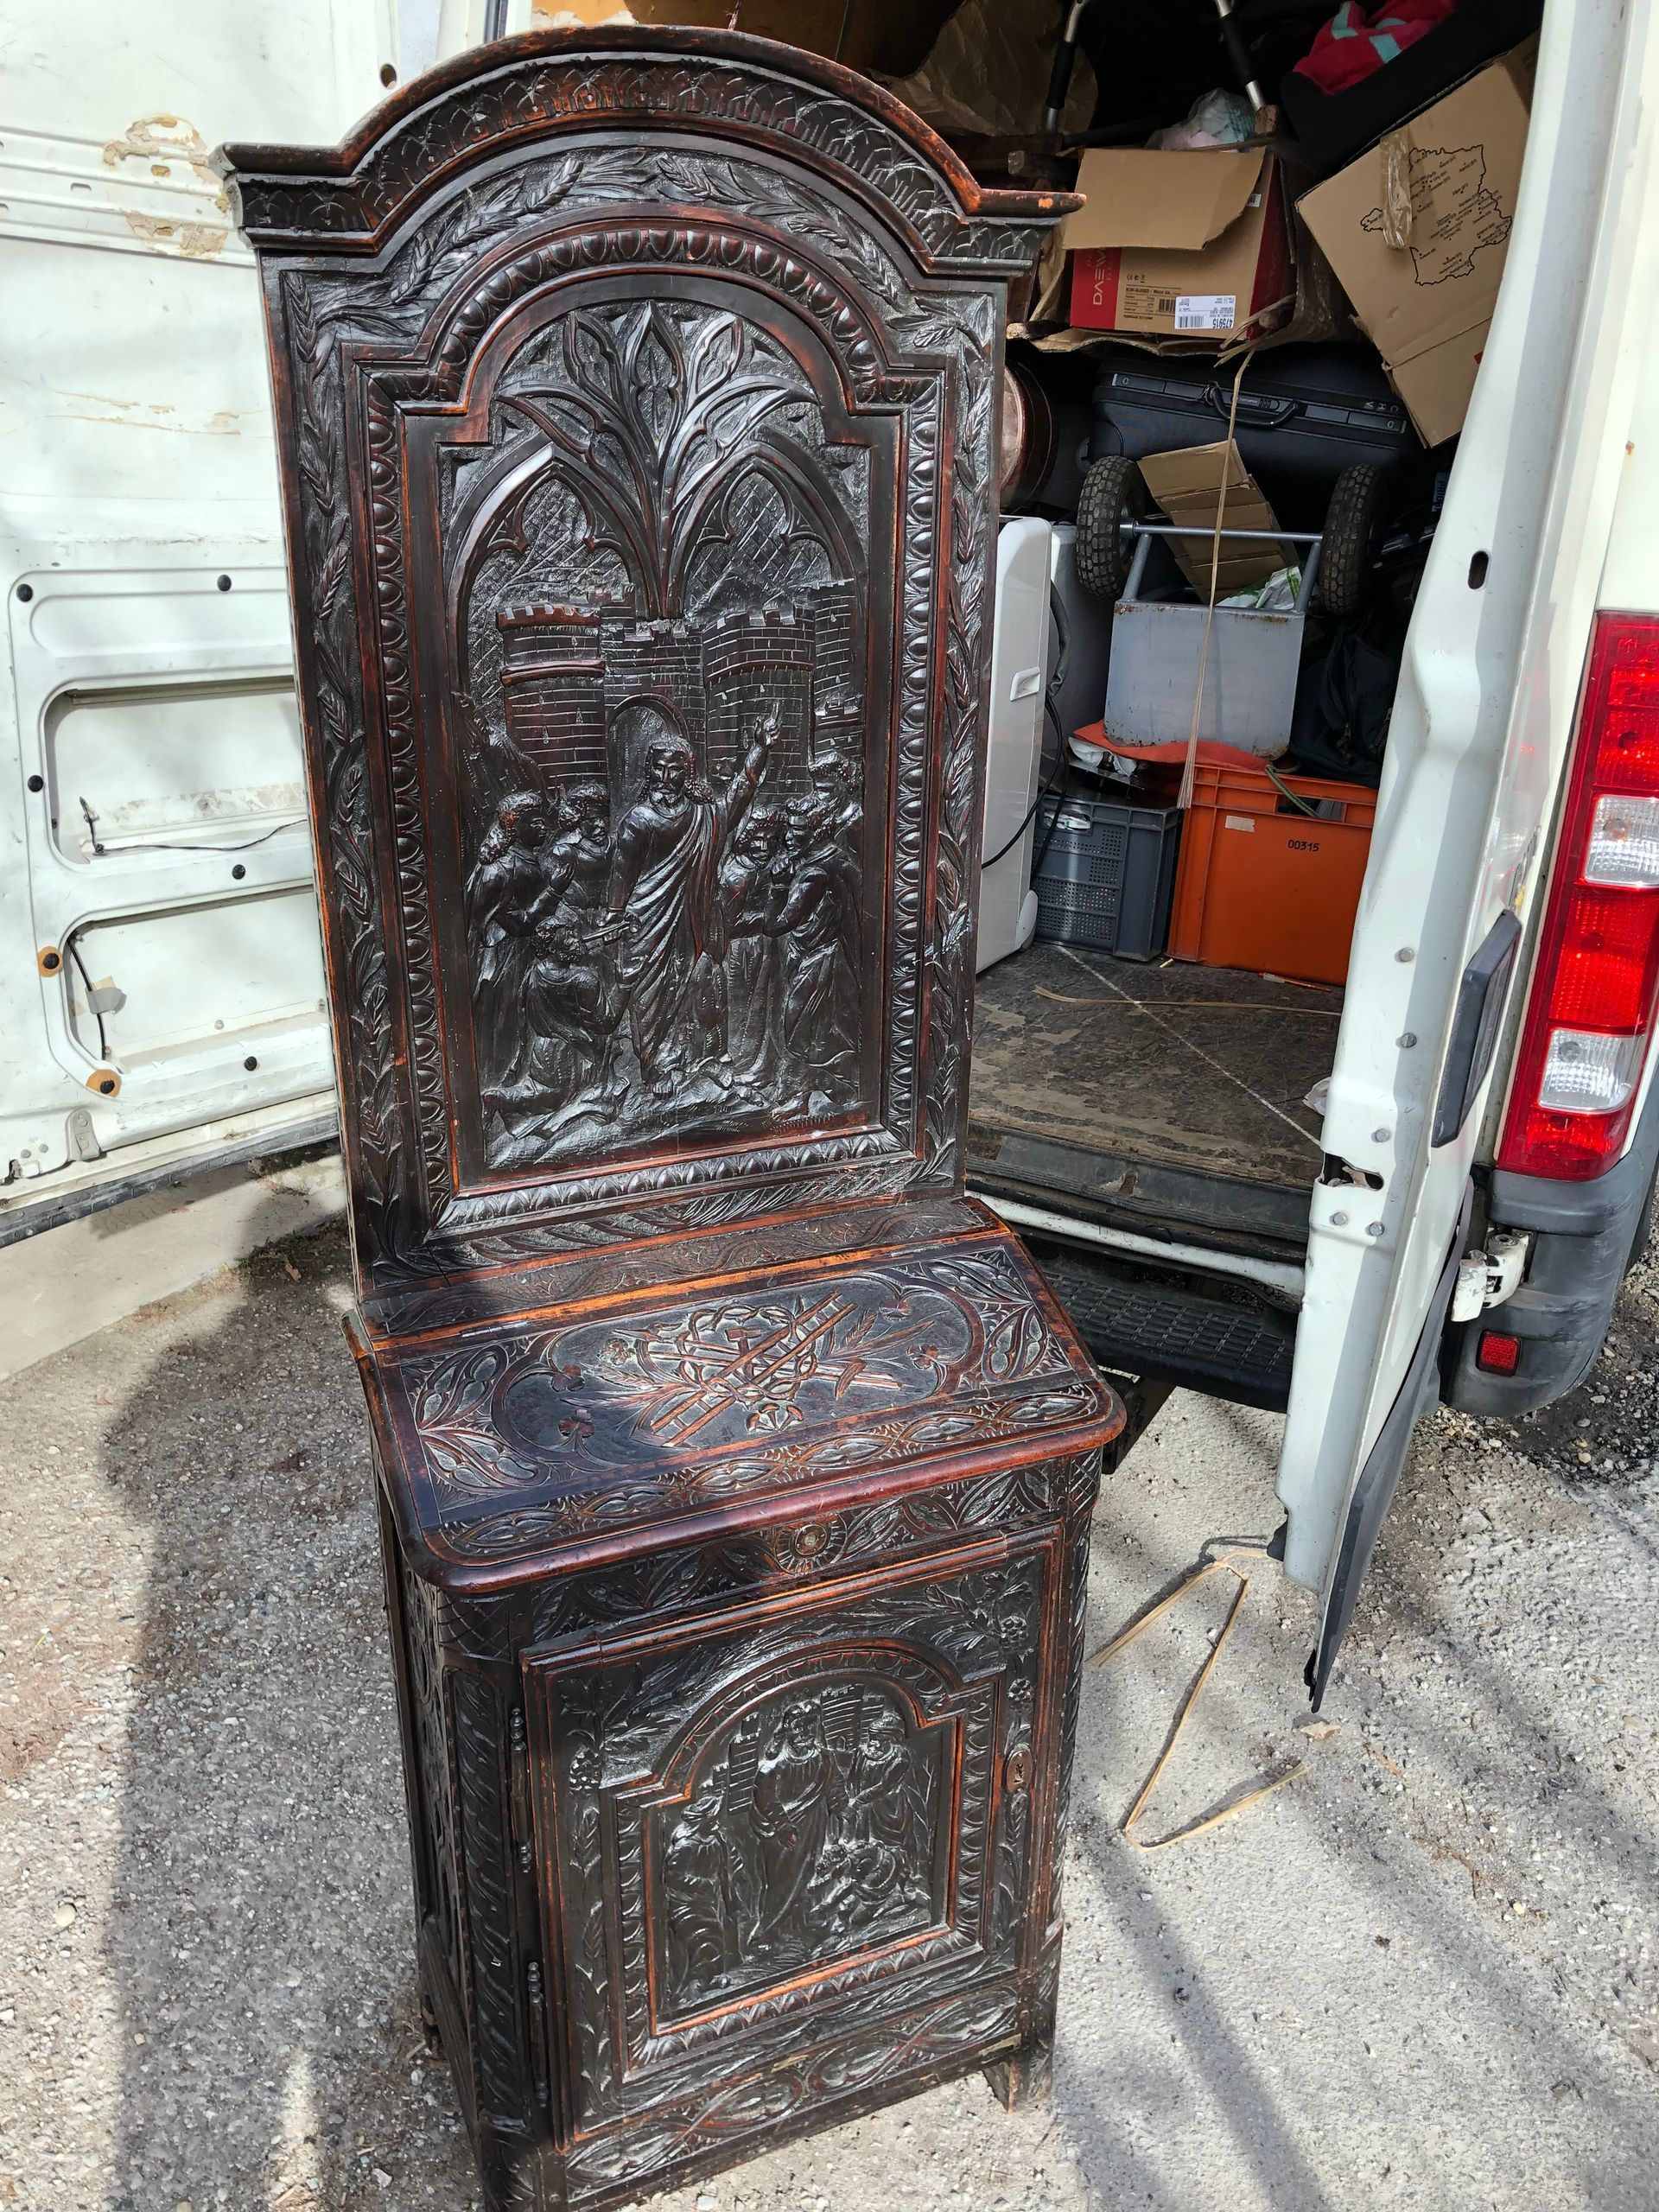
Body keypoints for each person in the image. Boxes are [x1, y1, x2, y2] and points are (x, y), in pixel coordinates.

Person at [607, 714, 775, 1096]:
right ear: (649, 772)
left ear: (688, 773)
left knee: (691, 984)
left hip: (691, 915)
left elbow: (736, 798)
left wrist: (760, 749)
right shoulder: (639, 820)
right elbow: (622, 874)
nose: (666, 779)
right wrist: (614, 915)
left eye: (675, 771)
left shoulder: (703, 816)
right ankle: (651, 1065)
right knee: (650, 992)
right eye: (659, 770)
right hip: (647, 917)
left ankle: (694, 1059)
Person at [467, 788, 555, 1089]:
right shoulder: (500, 871)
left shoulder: (531, 859)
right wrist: (553, 893)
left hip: (533, 952)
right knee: (509, 1022)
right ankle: (500, 1085)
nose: (543, 825)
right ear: (515, 829)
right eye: (535, 822)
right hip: (509, 961)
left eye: (543, 820)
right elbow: (507, 923)